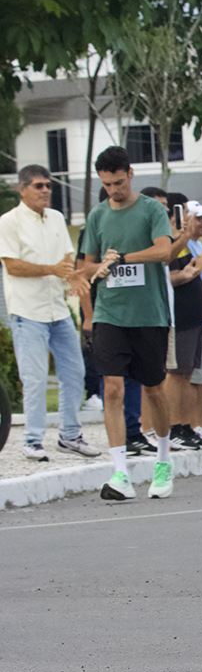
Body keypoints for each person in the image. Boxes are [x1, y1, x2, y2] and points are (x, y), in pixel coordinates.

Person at [79, 146, 175, 500]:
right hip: (110, 314)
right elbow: (86, 266)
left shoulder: (151, 209)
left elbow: (164, 251)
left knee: (153, 389)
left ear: (130, 174)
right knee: (113, 388)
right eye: (107, 185)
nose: (113, 191)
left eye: (118, 183)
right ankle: (120, 472)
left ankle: (164, 461)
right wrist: (99, 267)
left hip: (149, 315)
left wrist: (123, 259)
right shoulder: (97, 215)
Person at [0, 164, 99, 460]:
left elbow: (67, 257)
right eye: (38, 186)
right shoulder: (8, 222)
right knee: (35, 378)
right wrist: (51, 270)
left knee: (75, 373)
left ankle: (70, 435)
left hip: (58, 310)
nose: (45, 191)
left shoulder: (56, 218)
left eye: (48, 185)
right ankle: (32, 440)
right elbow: (12, 265)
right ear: (22, 189)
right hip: (27, 312)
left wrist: (73, 276)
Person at [164, 200, 202, 452]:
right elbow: (174, 276)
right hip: (180, 316)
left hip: (196, 315)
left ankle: (186, 425)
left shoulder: (184, 244)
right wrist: (194, 270)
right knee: (176, 374)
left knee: (188, 374)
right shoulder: (170, 243)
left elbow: (190, 271)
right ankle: (174, 425)